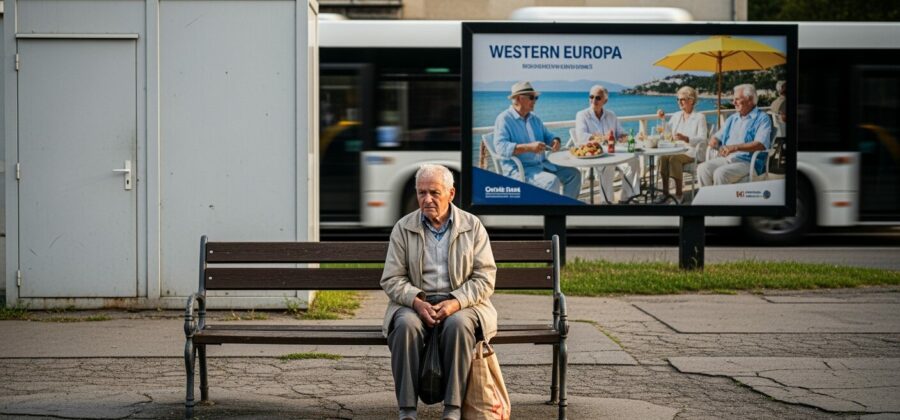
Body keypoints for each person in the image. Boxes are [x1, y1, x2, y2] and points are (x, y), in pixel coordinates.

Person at [381, 164, 497, 420]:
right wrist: (417, 301)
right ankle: (407, 411)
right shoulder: (404, 227)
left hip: (463, 304)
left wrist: (455, 302)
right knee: (405, 326)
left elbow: (485, 277)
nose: (427, 199)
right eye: (422, 193)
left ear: (451, 193)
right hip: (416, 302)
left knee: (458, 325)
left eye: (434, 192)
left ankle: (453, 410)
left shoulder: (473, 226)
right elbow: (392, 278)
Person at [493, 81, 581, 198]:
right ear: (519, 99)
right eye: (531, 97)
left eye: (536, 97)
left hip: (542, 164)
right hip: (521, 170)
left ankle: (565, 209)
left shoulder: (534, 118)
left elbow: (548, 135)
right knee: (551, 181)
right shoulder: (504, 119)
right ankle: (551, 213)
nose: (535, 101)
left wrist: (555, 141)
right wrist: (528, 147)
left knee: (574, 174)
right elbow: (500, 148)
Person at [574, 84, 640, 203]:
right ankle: (607, 202)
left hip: (613, 153)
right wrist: (603, 138)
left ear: (605, 100)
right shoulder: (582, 115)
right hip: (594, 155)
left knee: (633, 160)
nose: (593, 100)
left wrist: (627, 137)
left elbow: (620, 133)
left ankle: (627, 198)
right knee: (608, 165)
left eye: (598, 98)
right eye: (591, 97)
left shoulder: (611, 115)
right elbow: (582, 137)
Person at [697, 84, 773, 186]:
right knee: (702, 168)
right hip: (728, 158)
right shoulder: (733, 118)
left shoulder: (762, 118)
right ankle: (709, 199)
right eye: (733, 99)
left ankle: (722, 201)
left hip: (749, 162)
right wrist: (716, 143)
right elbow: (716, 137)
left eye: (737, 99)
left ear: (749, 100)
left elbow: (761, 144)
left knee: (721, 173)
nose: (733, 102)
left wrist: (735, 147)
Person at [657, 86, 709, 202]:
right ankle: (665, 193)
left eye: (682, 99)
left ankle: (679, 194)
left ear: (691, 100)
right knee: (663, 158)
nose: (679, 102)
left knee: (674, 159)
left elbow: (703, 138)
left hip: (692, 151)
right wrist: (662, 119)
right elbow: (668, 132)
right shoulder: (676, 115)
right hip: (676, 149)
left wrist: (687, 138)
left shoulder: (700, 117)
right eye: (678, 99)